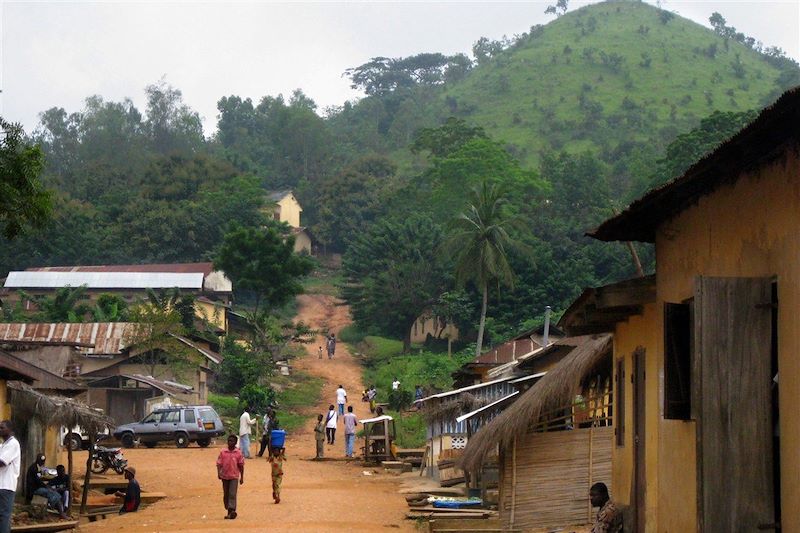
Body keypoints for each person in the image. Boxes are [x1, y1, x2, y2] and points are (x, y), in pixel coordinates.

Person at [25, 454, 68, 519]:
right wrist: (46, 487)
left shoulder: (36, 467)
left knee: (53, 492)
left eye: (43, 461)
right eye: (41, 461)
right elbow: (38, 481)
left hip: (36, 487)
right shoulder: (34, 468)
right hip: (34, 489)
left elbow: (38, 480)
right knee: (53, 493)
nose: (42, 463)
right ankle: (61, 513)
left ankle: (60, 511)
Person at [216, 434, 244, 520]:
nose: (230, 442)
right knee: (226, 494)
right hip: (225, 476)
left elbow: (241, 465)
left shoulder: (238, 453)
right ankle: (228, 508)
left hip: (234, 476)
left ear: (235, 443)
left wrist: (242, 477)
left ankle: (231, 511)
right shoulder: (223, 452)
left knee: (232, 494)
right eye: (229, 441)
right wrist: (219, 473)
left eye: (232, 441)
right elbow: (219, 464)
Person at [0, 420, 20, 533]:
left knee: (4, 516)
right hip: (2, 486)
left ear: (10, 430)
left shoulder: (13, 444)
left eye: (2, 428)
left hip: (6, 486)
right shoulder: (3, 445)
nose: (0, 430)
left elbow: (2, 462)